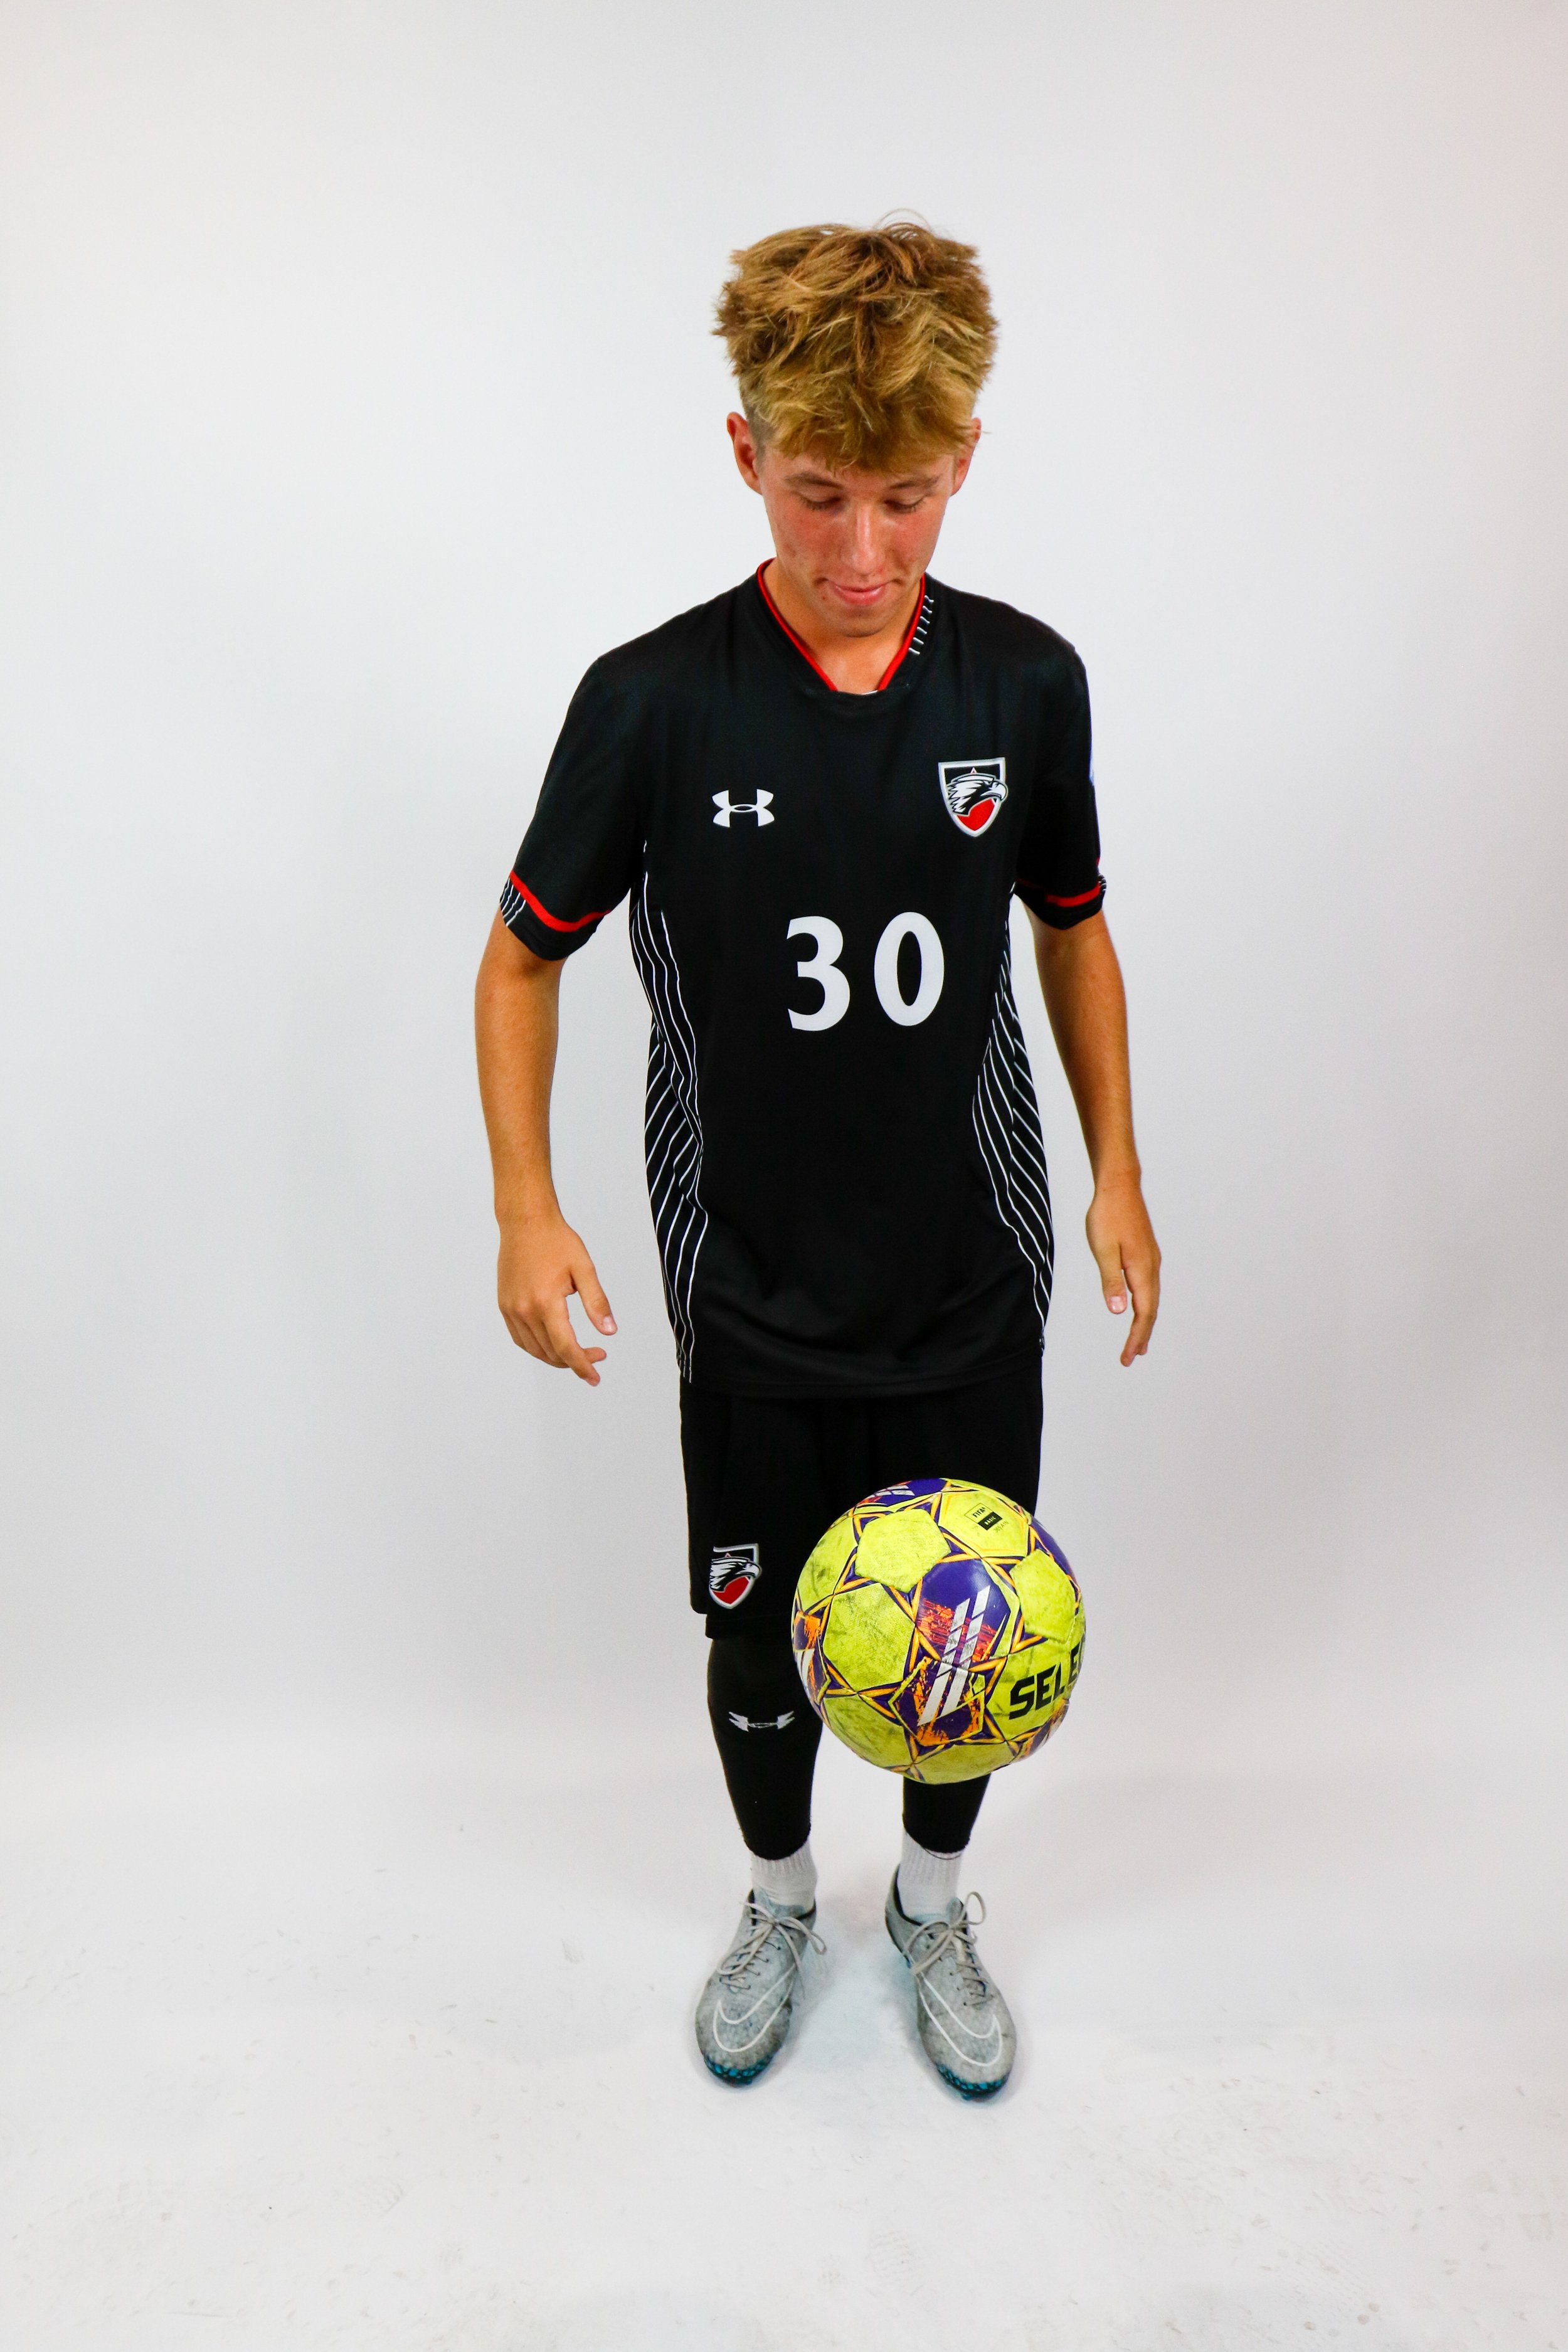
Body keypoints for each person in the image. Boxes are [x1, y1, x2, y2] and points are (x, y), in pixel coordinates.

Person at [474, 221, 1160, 2099]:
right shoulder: (651, 700)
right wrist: (527, 1208)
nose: (862, 551)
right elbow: (520, 957)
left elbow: (1072, 925)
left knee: (970, 1636)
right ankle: (780, 1899)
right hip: (751, 1292)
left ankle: (932, 1904)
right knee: (757, 1638)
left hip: (968, 1275)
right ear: (745, 454)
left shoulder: (1023, 684)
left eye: (907, 499)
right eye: (818, 495)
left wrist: (1114, 1167)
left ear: (965, 465)